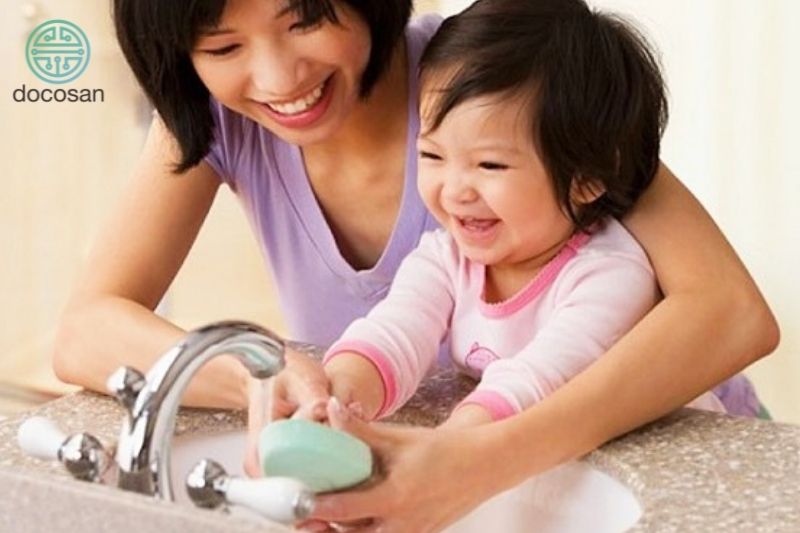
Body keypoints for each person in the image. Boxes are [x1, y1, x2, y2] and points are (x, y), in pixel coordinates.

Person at [51, 0, 777, 527]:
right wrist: (278, 383)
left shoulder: (495, 78)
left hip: (668, 454)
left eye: (304, 18)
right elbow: (85, 333)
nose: (275, 78)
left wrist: (479, 457)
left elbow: (731, 312)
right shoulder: (218, 117)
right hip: (460, 461)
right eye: (221, 46)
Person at [264, 0, 731, 441]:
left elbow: (536, 382)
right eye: (432, 155)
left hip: (671, 471)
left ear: (588, 178)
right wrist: (335, 400)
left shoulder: (611, 274)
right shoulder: (446, 257)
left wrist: (446, 452)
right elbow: (394, 333)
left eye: (490, 165)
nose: (454, 190)